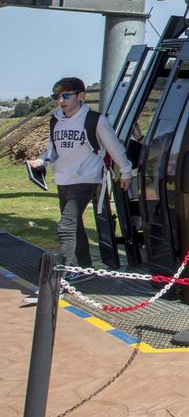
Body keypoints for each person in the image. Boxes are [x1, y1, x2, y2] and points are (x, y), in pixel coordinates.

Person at [23, 77, 134, 306]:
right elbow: (53, 151)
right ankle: (86, 268)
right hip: (63, 179)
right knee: (75, 226)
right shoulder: (55, 121)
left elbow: (114, 147)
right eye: (56, 97)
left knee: (65, 226)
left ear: (80, 96)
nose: (60, 101)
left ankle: (58, 282)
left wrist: (125, 172)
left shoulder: (95, 120)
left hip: (87, 179)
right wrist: (41, 161)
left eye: (65, 96)